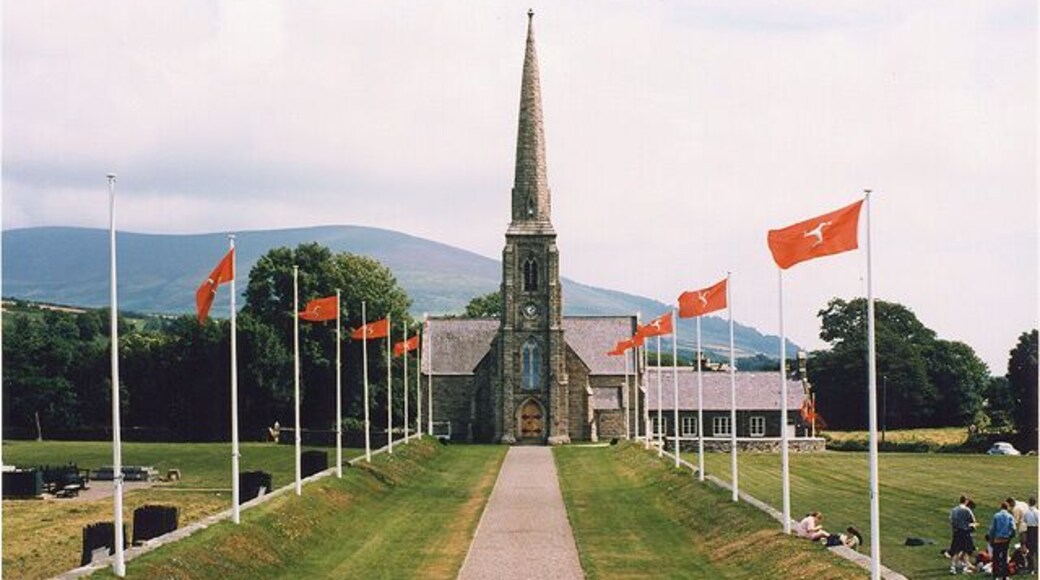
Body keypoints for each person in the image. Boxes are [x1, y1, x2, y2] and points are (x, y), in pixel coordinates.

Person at [949, 495, 978, 574]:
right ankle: (965, 568)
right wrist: (974, 526)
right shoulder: (967, 510)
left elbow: (951, 521)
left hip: (957, 532)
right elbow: (973, 521)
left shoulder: (954, 510)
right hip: (965, 533)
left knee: (956, 551)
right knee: (966, 550)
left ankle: (952, 567)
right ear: (966, 501)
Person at [989, 502, 1017, 579]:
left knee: (996, 558)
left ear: (1001, 507)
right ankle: (1004, 575)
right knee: (1005, 558)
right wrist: (1011, 536)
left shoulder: (996, 516)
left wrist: (991, 538)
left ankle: (995, 575)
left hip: (997, 539)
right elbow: (1013, 528)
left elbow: (992, 529)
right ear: (1007, 508)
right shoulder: (1009, 516)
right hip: (1005, 539)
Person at [1024, 497, 1038, 573]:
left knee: (1030, 549)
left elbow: (1025, 520)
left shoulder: (1027, 512)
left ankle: (1031, 567)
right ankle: (1037, 567)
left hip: (1029, 529)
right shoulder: (1037, 512)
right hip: (1036, 529)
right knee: (1036, 548)